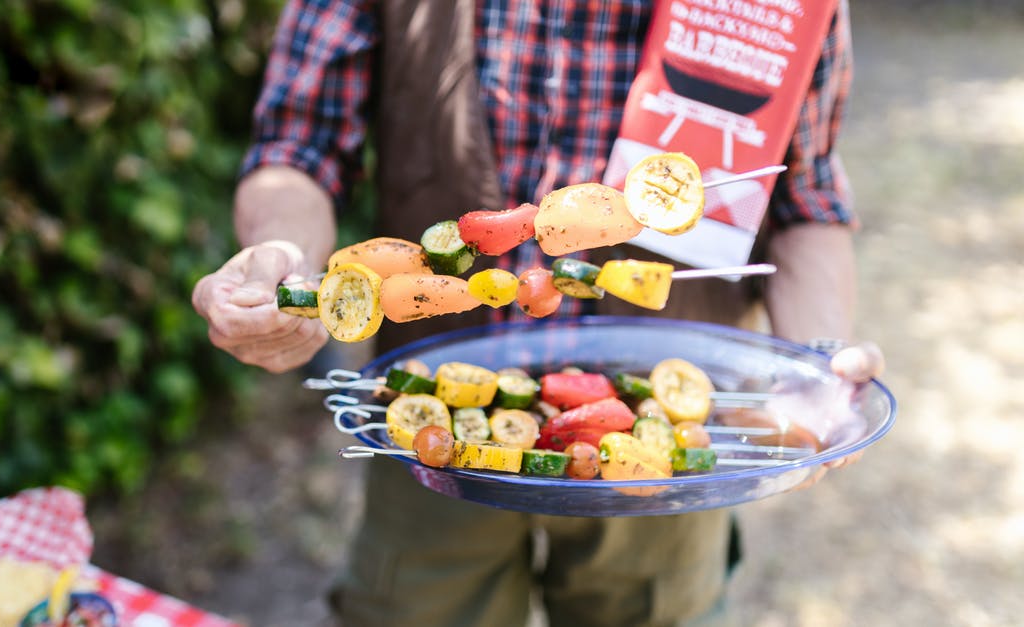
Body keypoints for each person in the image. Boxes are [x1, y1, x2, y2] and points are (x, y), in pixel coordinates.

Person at [192, 1, 884, 625]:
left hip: (666, 439)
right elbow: (300, 148)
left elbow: (805, 195)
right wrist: (282, 256)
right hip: (433, 418)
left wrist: (812, 361)